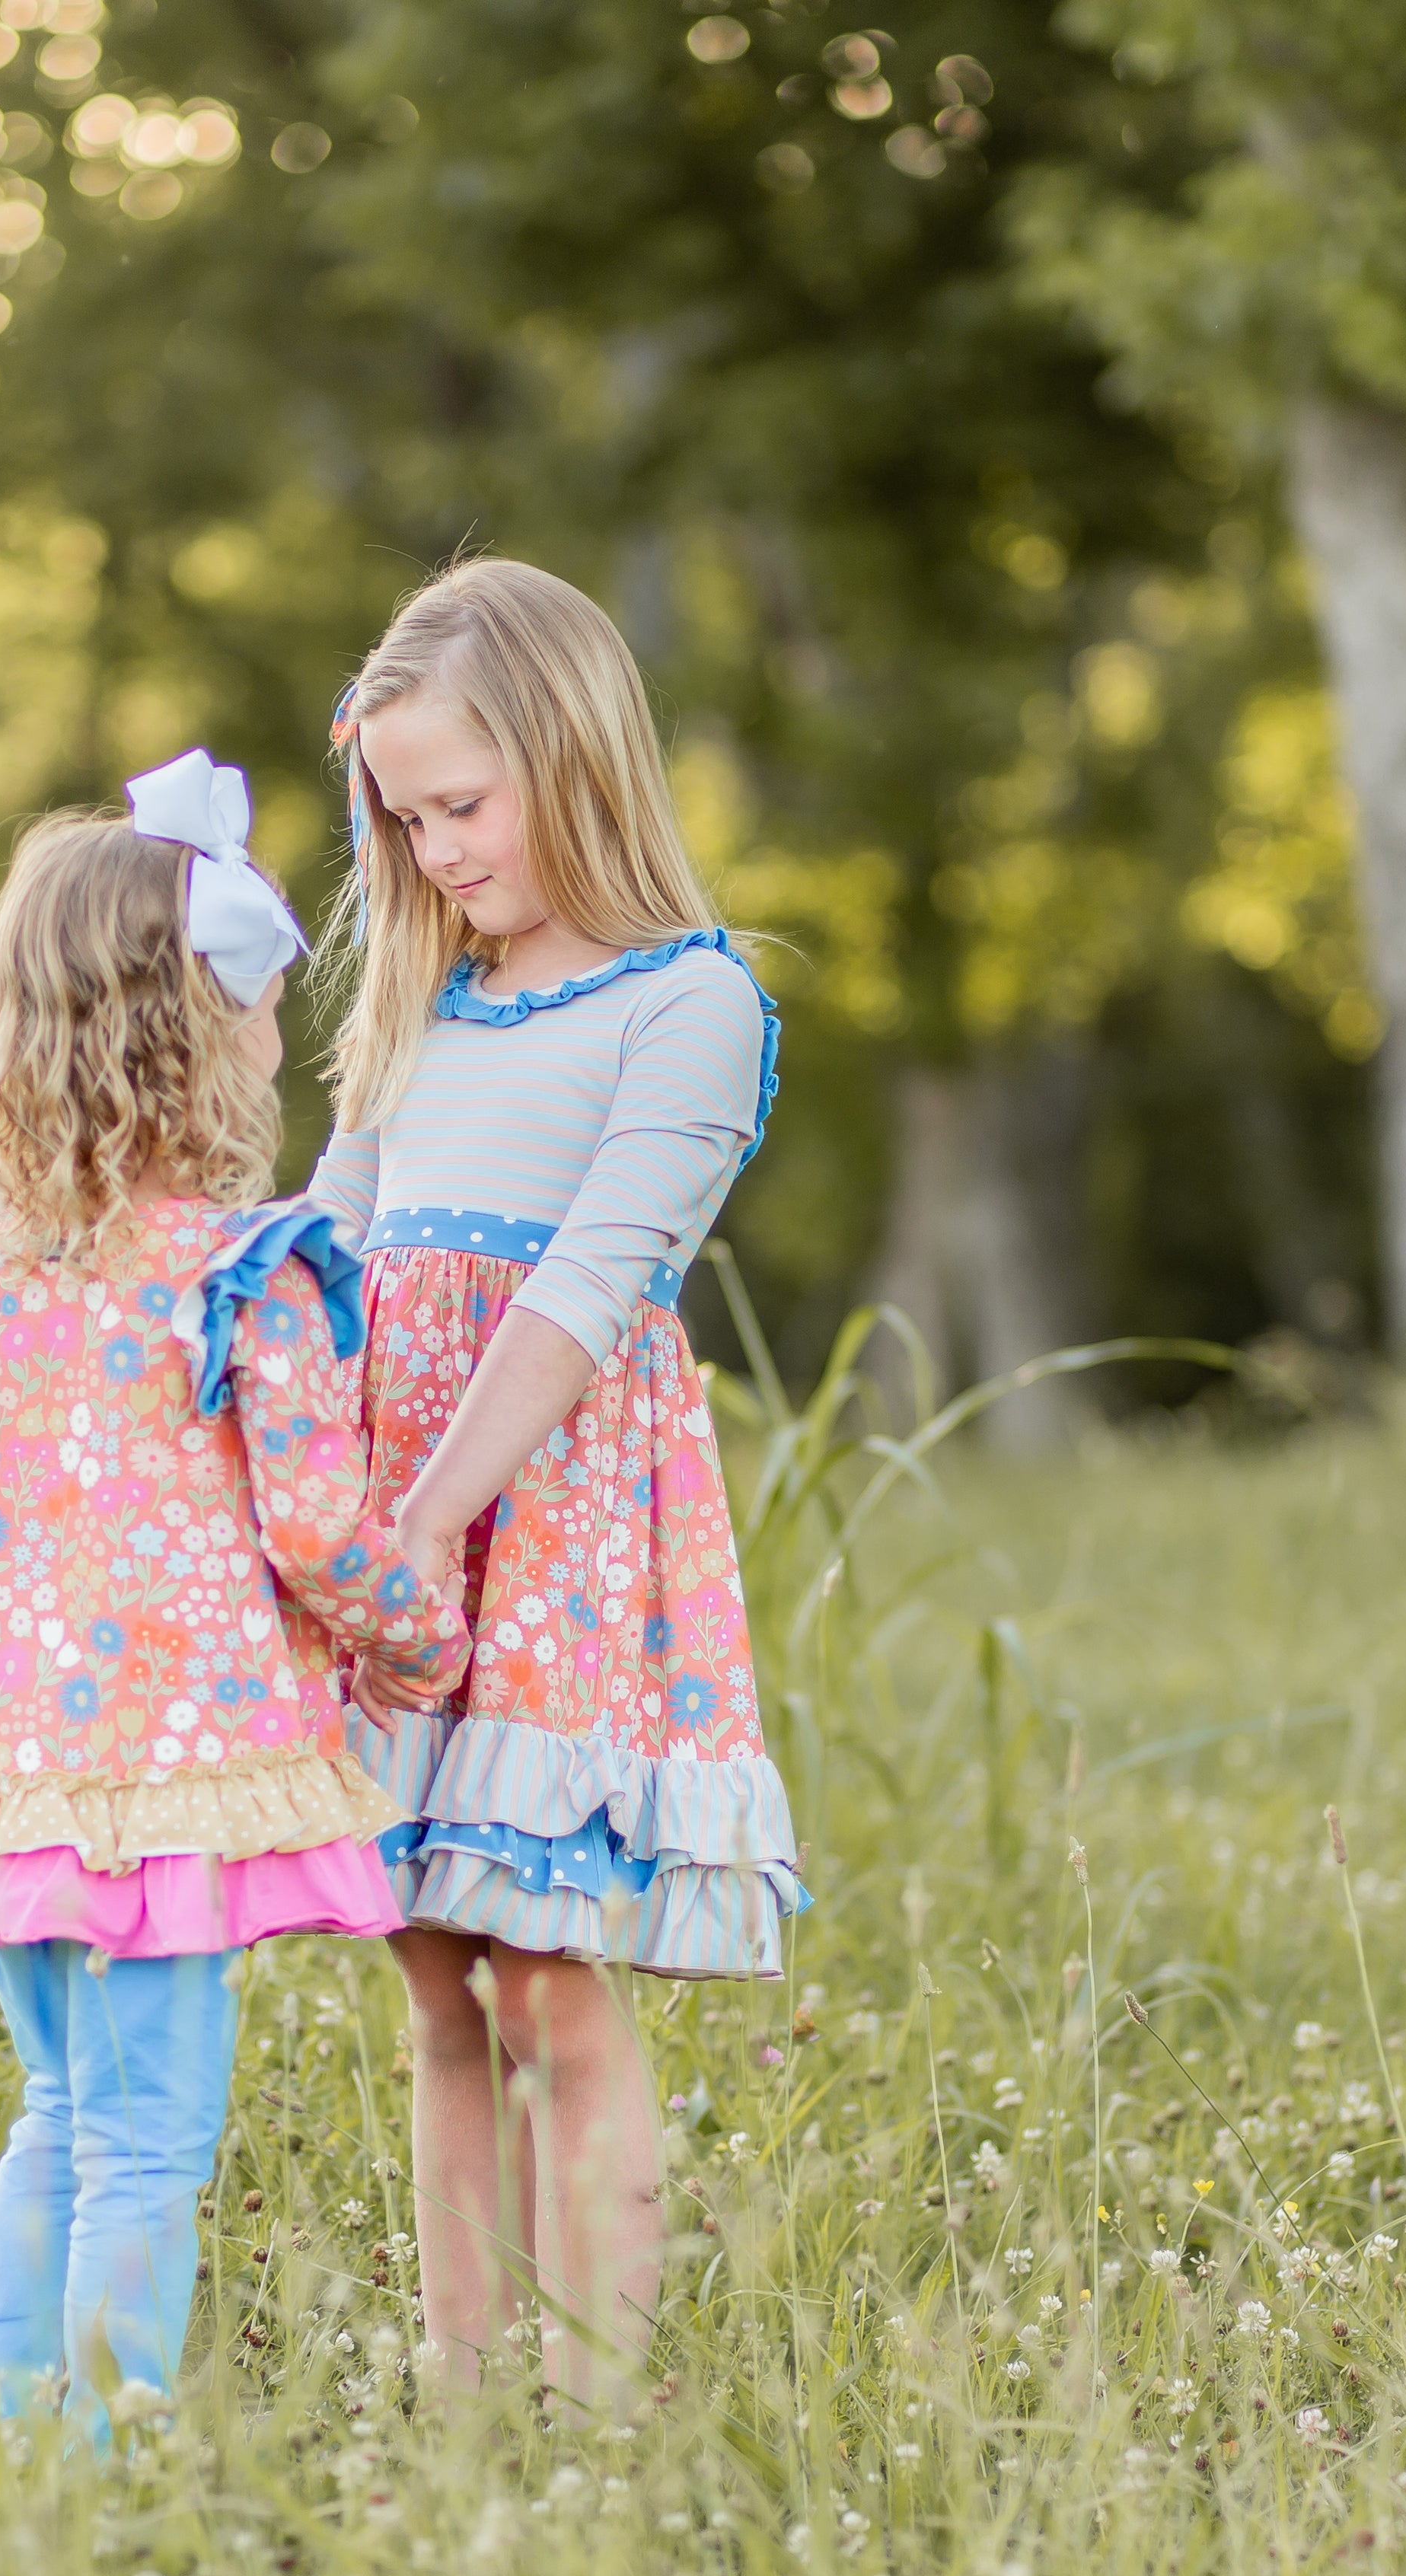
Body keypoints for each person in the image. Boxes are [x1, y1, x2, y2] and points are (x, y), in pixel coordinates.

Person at [0, 752, 467, 2437]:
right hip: (165, 1790)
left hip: (9, 1777)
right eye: (266, 999)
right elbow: (320, 1529)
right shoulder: (248, 1272)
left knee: (63, 2111)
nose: (284, 1031)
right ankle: (107, 2465)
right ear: (199, 1029)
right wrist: (419, 1640)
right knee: (146, 2142)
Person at [311, 560, 804, 2399]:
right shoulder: (413, 1012)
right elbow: (324, 1262)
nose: (433, 848)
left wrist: (426, 1526)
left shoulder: (690, 1002)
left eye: (462, 803)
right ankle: (466, 2386)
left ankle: (592, 2398)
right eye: (403, 815)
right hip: (391, 1529)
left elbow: (593, 1293)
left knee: (548, 1985)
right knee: (435, 1983)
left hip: (551, 1535)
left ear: (573, 760)